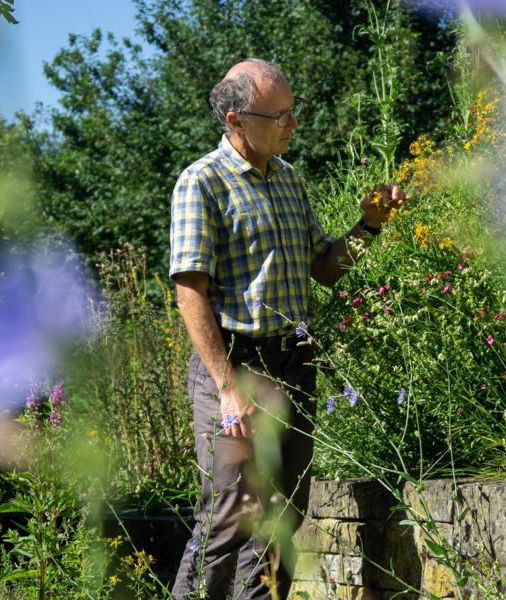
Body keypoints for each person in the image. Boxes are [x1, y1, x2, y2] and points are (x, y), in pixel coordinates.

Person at [168, 58, 405, 599]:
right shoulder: (201, 184)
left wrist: (370, 225)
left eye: (293, 113)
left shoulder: (290, 180)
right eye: (280, 115)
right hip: (236, 368)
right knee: (231, 513)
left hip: (295, 363)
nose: (292, 125)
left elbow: (324, 267)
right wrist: (227, 388)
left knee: (285, 511)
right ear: (236, 120)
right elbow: (189, 295)